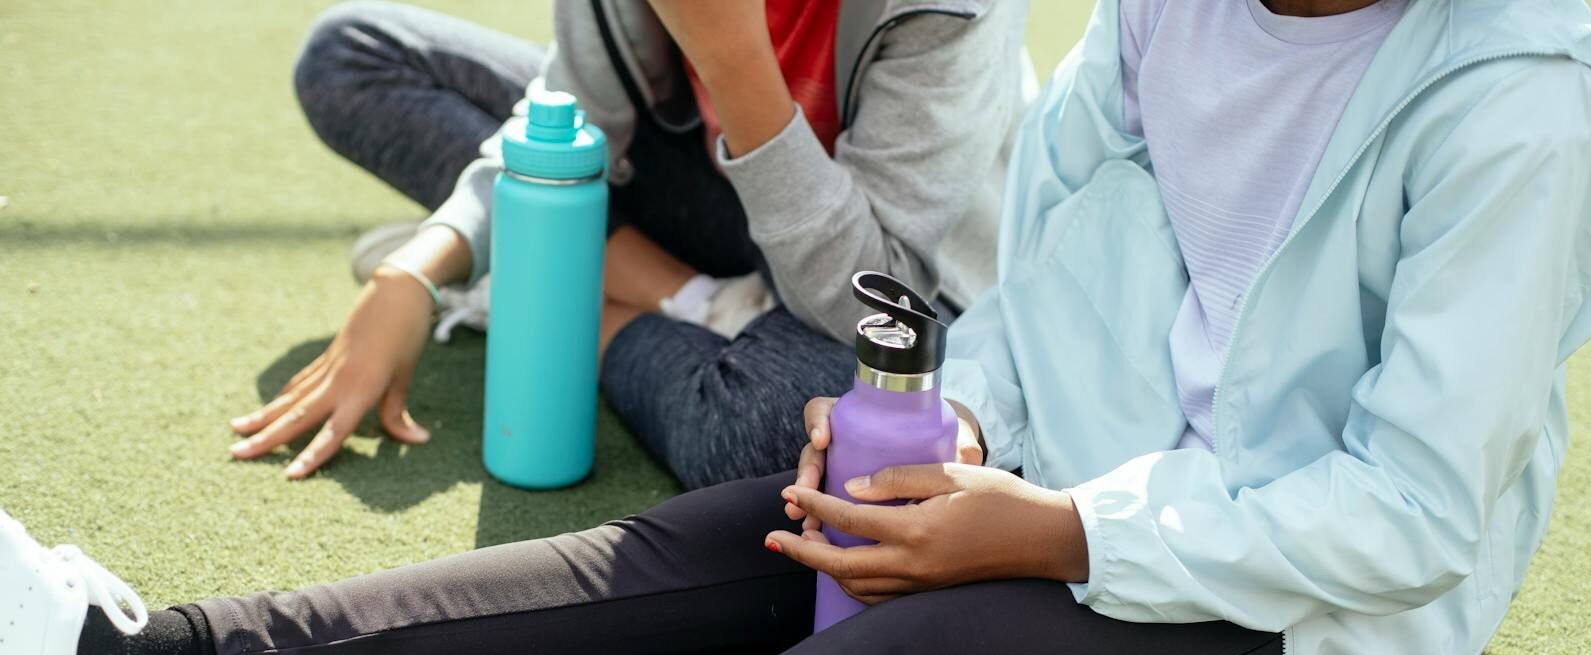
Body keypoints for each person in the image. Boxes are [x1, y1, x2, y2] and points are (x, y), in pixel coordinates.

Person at [4, 0, 1591, 655]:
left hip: (1301, 582)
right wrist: (951, 424)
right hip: (1055, 464)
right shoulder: (1163, 11)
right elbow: (1041, 294)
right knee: (750, 527)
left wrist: (1053, 535)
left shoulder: (1518, 103)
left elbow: (1409, 510)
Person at [226, 0, 1031, 488]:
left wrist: (734, 61)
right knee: (351, 55)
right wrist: (420, 266)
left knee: (790, 430)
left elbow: (874, 299)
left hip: (881, 274)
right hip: (705, 194)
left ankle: (533, 286)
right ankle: (682, 295)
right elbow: (565, 121)